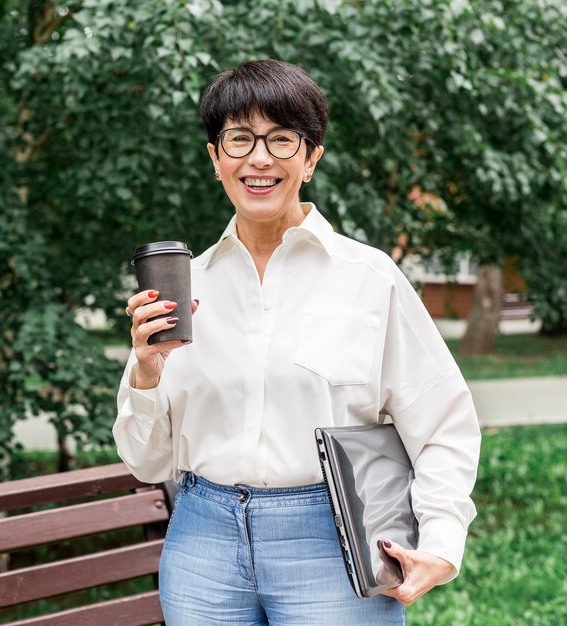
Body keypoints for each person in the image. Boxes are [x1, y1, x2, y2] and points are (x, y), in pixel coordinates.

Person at [113, 59, 481, 625]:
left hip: (333, 539)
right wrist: (145, 372)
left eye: (282, 140)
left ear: (310, 160)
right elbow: (147, 460)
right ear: (215, 159)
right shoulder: (187, 288)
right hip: (201, 544)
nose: (259, 158)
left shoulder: (368, 276)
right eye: (239, 139)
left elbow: (443, 423)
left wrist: (440, 537)